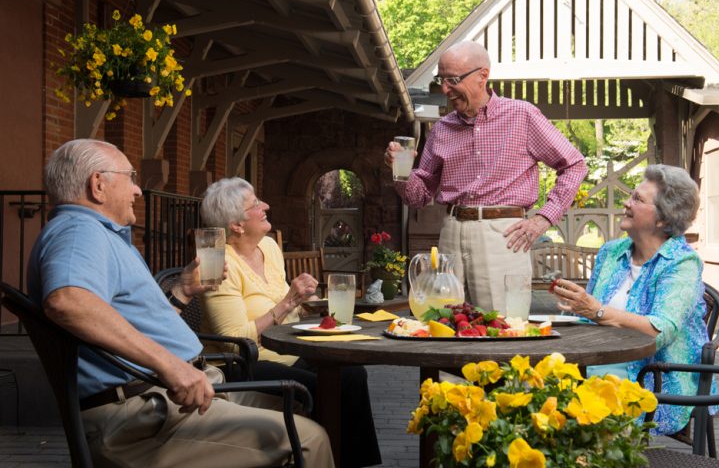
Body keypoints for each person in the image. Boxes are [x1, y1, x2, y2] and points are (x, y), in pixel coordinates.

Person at [27, 139, 334, 468]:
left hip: (174, 394)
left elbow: (137, 323)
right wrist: (168, 364)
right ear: (98, 185)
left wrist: (183, 291)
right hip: (146, 415)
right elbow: (68, 302)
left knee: (308, 403)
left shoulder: (99, 235)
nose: (138, 191)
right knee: (308, 439)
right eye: (130, 177)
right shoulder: (79, 232)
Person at [385, 40, 587, 313]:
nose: (445, 89)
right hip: (451, 233)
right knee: (441, 321)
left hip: (503, 235)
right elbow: (419, 196)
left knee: (502, 325)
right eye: (441, 80)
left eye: (453, 79)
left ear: (483, 76)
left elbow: (574, 164)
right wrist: (401, 172)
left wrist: (543, 218)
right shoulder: (442, 129)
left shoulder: (522, 115)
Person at [199, 177, 382, 468]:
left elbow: (290, 309)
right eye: (256, 204)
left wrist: (307, 304)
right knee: (320, 387)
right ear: (236, 225)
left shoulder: (269, 248)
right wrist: (289, 301)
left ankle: (354, 462)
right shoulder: (219, 265)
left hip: (291, 349)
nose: (266, 206)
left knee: (352, 374)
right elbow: (235, 341)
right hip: (244, 364)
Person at [551, 164, 712, 435]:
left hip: (651, 379)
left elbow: (660, 331)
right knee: (532, 394)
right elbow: (585, 318)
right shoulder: (611, 252)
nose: (626, 203)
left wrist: (597, 311)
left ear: (662, 218)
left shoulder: (682, 262)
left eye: (637, 199)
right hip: (594, 363)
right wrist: (578, 308)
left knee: (565, 414)